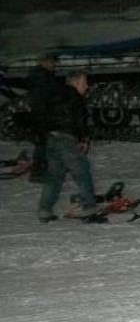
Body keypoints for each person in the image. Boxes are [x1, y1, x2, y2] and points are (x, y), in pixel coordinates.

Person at [36, 71, 103, 223]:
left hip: (51, 138)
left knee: (54, 176)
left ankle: (44, 210)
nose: (86, 86)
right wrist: (83, 139)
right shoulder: (74, 97)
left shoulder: (53, 96)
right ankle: (89, 207)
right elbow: (78, 119)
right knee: (82, 172)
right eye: (84, 83)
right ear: (76, 82)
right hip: (67, 139)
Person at [26, 52, 65, 183]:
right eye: (53, 61)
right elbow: (47, 96)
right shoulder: (42, 77)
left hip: (42, 114)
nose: (55, 64)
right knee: (43, 144)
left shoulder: (41, 75)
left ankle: (41, 170)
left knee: (44, 143)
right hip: (44, 115)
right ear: (45, 61)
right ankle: (38, 172)